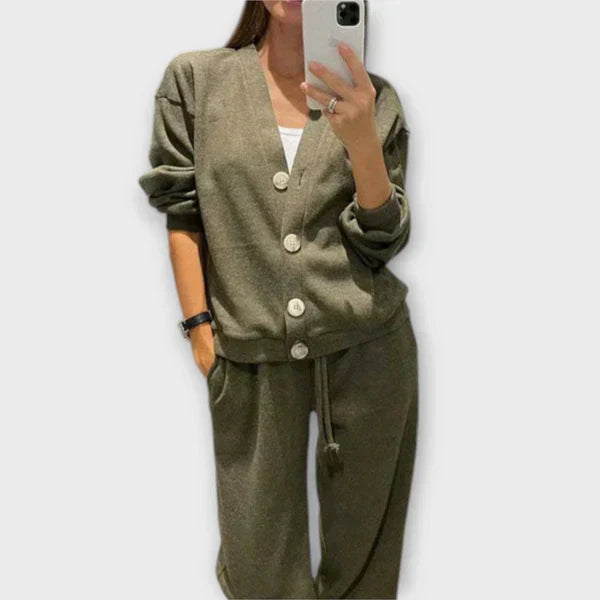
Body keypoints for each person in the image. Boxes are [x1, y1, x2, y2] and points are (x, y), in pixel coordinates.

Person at [138, 1, 418, 598]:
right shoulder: (197, 81)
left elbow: (383, 240)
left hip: (369, 352)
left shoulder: (374, 100)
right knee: (258, 569)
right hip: (249, 356)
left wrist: (363, 142)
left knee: (365, 572)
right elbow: (183, 213)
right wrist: (201, 331)